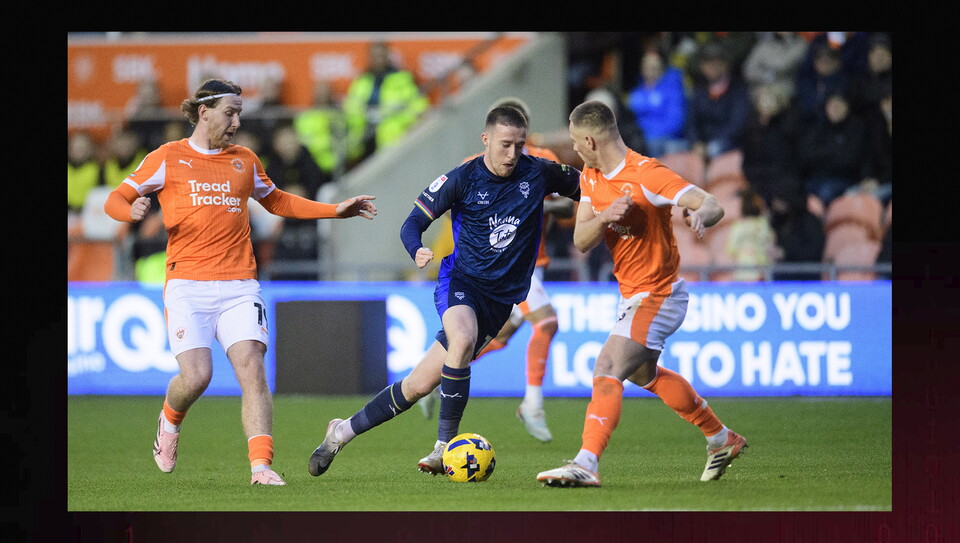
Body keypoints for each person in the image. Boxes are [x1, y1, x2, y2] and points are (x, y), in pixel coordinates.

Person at [102, 78, 378, 486]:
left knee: (252, 369)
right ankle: (170, 419)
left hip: (239, 284)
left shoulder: (244, 160)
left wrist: (335, 210)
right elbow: (115, 199)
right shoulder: (166, 157)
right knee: (196, 377)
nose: (235, 122)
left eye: (239, 114)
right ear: (204, 112)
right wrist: (132, 210)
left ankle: (261, 467)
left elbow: (278, 200)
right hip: (187, 285)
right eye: (229, 113)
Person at [307, 105, 581, 478]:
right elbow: (413, 222)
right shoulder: (462, 178)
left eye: (519, 145)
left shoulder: (539, 172)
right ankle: (443, 447)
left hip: (501, 299)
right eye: (505, 145)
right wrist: (416, 248)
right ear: (485, 140)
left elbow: (589, 187)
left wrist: (608, 211)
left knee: (418, 385)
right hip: (462, 282)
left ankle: (341, 431)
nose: (513, 154)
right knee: (463, 338)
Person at [536, 100, 746, 488]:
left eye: (575, 142)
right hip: (630, 295)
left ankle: (586, 462)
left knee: (607, 368)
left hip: (660, 293)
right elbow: (582, 240)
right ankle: (721, 438)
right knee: (642, 374)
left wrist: (700, 214)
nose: (573, 150)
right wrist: (605, 216)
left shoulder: (648, 174)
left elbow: (711, 203)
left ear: (590, 139)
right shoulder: (591, 176)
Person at [418, 97, 576, 443]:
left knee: (500, 335)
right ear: (490, 135)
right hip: (501, 269)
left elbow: (569, 207)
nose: (515, 148)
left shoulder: (542, 163)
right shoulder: (473, 168)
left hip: (533, 263)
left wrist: (541, 205)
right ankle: (532, 404)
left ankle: (439, 378)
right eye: (507, 139)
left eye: (521, 138)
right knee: (547, 322)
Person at [342, 41, 430, 165]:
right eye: (375, 56)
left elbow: (418, 108)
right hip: (365, 136)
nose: (378, 60)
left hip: (393, 137)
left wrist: (404, 126)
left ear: (387, 56)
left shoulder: (401, 79)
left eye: (381, 56)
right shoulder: (362, 80)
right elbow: (351, 106)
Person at [687, 42, 752, 163]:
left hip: (729, 144)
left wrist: (713, 145)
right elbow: (691, 121)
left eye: (717, 62)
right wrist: (695, 142)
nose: (712, 66)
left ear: (726, 64)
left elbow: (737, 124)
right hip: (701, 145)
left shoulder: (738, 88)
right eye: (708, 63)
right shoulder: (699, 88)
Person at [624, 48, 688, 157]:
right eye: (648, 67)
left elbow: (676, 121)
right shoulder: (636, 93)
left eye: (655, 68)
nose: (651, 71)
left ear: (662, 69)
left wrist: (651, 134)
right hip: (642, 140)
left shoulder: (673, 89)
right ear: (642, 69)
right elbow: (630, 120)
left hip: (668, 139)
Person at [725, 187, 779, 281]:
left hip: (743, 274)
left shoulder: (738, 226)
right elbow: (771, 247)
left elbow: (732, 250)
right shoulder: (764, 225)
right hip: (761, 272)